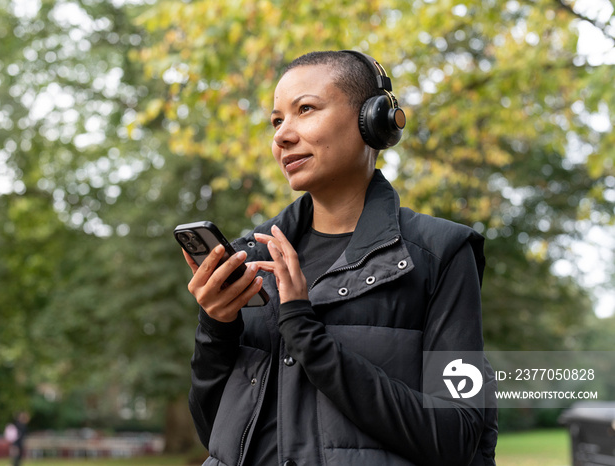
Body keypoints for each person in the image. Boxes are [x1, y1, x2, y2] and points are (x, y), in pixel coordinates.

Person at [182, 50, 498, 466]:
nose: (282, 136)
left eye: (305, 110)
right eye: (277, 121)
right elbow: (217, 434)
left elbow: (456, 437)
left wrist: (303, 329)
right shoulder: (252, 260)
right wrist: (216, 329)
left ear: (373, 119)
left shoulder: (441, 253)